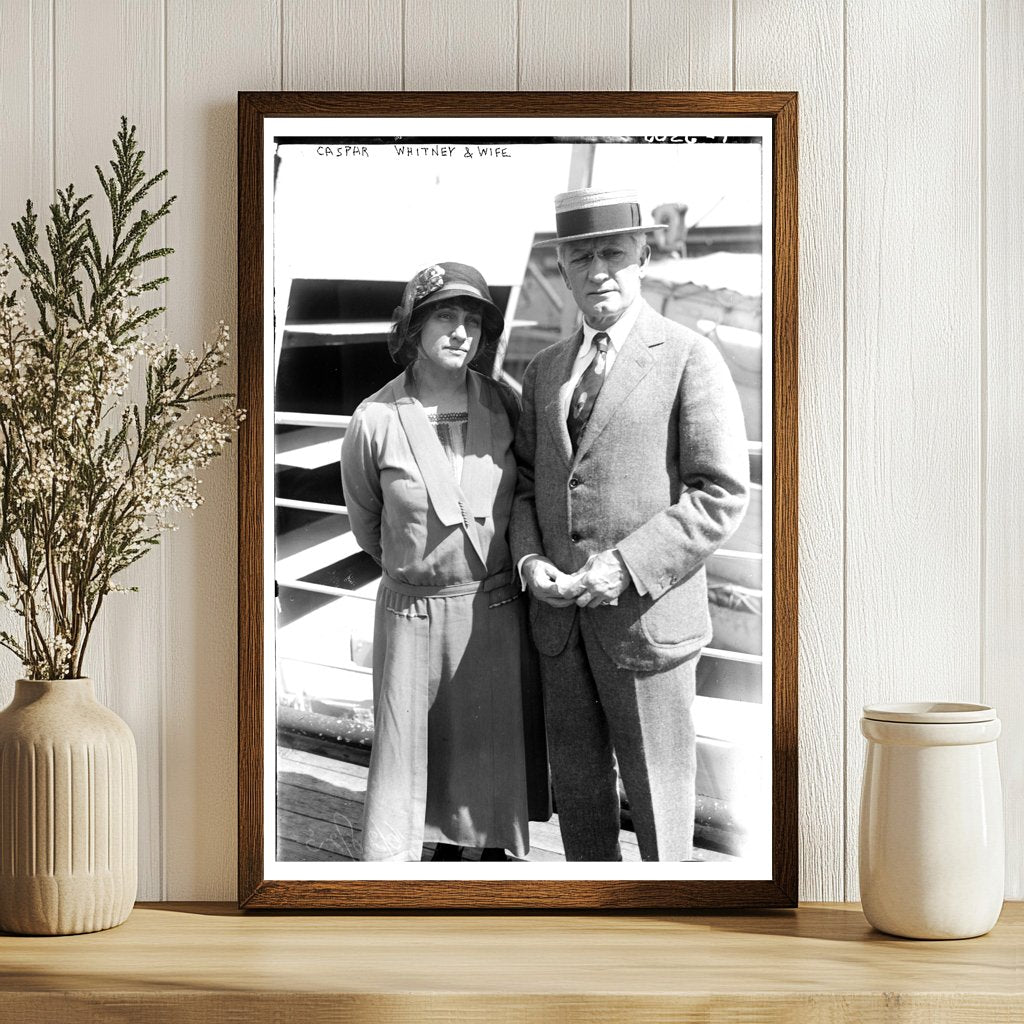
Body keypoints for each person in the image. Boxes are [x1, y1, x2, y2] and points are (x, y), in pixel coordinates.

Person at [510, 187, 750, 862]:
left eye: (613, 252)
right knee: (580, 806)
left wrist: (623, 566)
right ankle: (594, 933)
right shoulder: (544, 370)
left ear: (642, 256)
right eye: (580, 257)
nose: (597, 271)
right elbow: (527, 489)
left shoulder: (686, 356)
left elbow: (720, 494)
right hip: (561, 631)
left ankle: (667, 935)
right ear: (563, 268)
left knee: (661, 810)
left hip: (647, 629)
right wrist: (532, 567)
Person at [341, 261, 548, 863]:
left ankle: (483, 866)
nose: (461, 332)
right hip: (412, 614)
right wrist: (423, 572)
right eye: (445, 317)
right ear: (414, 328)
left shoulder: (505, 404)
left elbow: (528, 491)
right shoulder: (373, 419)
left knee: (486, 768)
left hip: (494, 612)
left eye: (473, 322)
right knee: (412, 762)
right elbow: (368, 523)